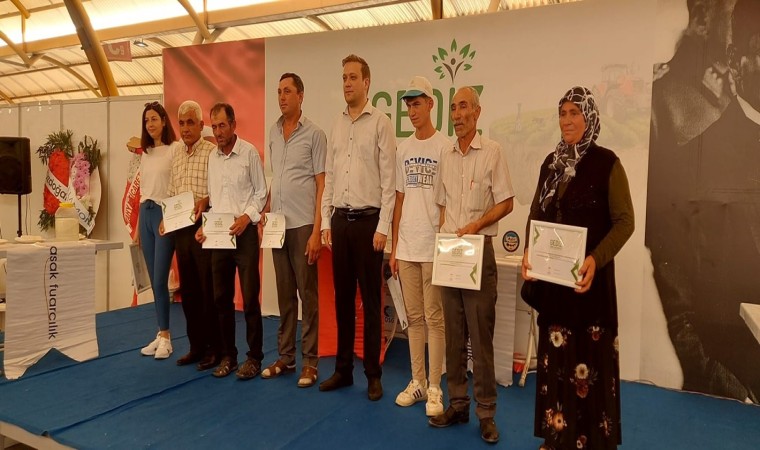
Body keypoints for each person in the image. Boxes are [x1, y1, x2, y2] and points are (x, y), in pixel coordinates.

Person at [647, 0, 760, 403]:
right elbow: (681, 308)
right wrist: (726, 386)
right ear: (735, 59)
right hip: (733, 399)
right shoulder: (686, 165)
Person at [521, 86, 634, 450]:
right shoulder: (550, 164)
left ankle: (590, 443)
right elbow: (535, 214)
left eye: (574, 113)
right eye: (562, 113)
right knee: (556, 364)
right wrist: (528, 253)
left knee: (588, 366)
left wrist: (595, 259)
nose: (567, 120)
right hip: (554, 291)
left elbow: (625, 222)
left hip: (590, 290)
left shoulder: (607, 163)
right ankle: (556, 438)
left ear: (590, 118)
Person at [429, 86, 514, 444]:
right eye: (453, 108)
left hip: (479, 250)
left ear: (477, 112)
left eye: (464, 106)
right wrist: (444, 241)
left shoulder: (492, 151)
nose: (457, 114)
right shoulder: (445, 155)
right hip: (451, 254)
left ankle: (486, 412)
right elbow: (442, 206)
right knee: (453, 335)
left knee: (480, 339)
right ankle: (458, 404)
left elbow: (507, 202)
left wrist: (477, 225)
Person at [318, 54, 396, 401]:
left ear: (367, 82)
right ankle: (343, 370)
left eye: (353, 77)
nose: (347, 83)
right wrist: (326, 221)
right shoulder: (336, 124)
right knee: (343, 301)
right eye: (344, 78)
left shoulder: (381, 123)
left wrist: (384, 227)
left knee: (372, 302)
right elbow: (331, 177)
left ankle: (373, 375)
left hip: (369, 224)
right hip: (340, 222)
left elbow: (389, 181)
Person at [260, 73, 327, 387]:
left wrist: (317, 230)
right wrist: (266, 208)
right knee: (285, 296)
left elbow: (322, 184)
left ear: (301, 95)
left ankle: (310, 362)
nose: (282, 97)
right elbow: (277, 178)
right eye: (278, 92)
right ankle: (286, 357)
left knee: (307, 296)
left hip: (303, 225)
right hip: (277, 225)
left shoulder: (315, 134)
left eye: (287, 91)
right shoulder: (273, 132)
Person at [389, 76, 448, 416]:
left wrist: (443, 243)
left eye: (417, 104)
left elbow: (447, 201)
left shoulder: (444, 147)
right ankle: (418, 381)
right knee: (413, 317)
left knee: (434, 317)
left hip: (433, 245)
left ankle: (436, 387)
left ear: (430, 104)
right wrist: (396, 247)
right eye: (408, 106)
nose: (412, 111)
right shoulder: (404, 148)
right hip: (408, 245)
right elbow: (399, 199)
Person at [196, 103, 267, 380]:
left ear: (234, 125)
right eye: (214, 127)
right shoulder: (212, 159)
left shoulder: (249, 153)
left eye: (222, 126)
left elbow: (261, 193)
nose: (218, 132)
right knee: (221, 299)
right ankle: (229, 356)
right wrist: (206, 228)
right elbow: (214, 200)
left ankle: (254, 357)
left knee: (249, 298)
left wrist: (246, 218)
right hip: (219, 236)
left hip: (245, 232)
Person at [162, 100, 221, 371]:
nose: (185, 128)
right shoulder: (176, 153)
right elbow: (172, 192)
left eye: (190, 123)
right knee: (189, 292)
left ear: (201, 125)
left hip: (203, 229)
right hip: (181, 231)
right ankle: (196, 346)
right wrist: (165, 219)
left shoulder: (212, 152)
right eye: (181, 123)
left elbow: (219, 191)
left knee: (208, 291)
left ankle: (214, 349)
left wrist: (206, 201)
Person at [137, 101, 177, 360]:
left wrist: (169, 218)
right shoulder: (146, 153)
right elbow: (143, 190)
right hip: (146, 213)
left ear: (164, 121)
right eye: (146, 120)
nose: (150, 124)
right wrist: (137, 229)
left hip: (164, 214)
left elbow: (175, 186)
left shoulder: (174, 150)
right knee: (154, 280)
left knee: (161, 278)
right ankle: (161, 332)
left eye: (154, 119)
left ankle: (167, 338)